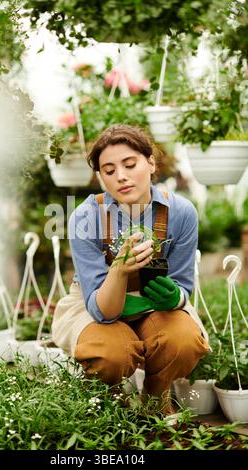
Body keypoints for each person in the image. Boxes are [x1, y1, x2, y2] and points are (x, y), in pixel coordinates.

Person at [51, 124, 209, 412]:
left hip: (154, 304)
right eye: (109, 171)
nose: (121, 176)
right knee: (110, 353)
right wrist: (119, 271)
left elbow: (184, 286)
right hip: (97, 304)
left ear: (150, 162)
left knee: (183, 340)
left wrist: (175, 297)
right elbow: (102, 311)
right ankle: (110, 398)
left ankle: (155, 394)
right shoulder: (85, 216)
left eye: (130, 163)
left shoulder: (181, 212)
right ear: (101, 178)